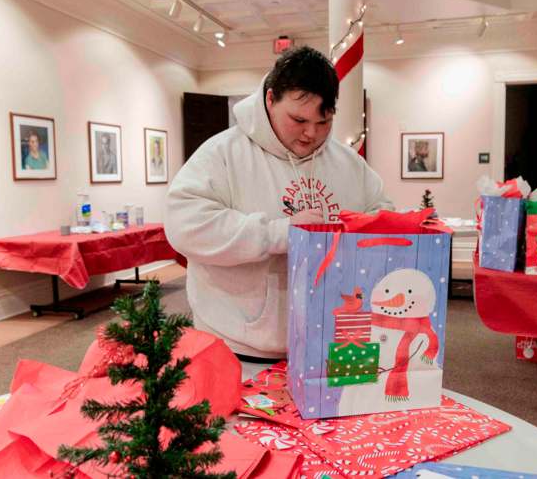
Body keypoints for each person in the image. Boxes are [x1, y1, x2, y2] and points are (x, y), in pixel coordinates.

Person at [165, 46, 393, 360]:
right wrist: (279, 234)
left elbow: (383, 214)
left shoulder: (348, 163)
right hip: (239, 345)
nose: (311, 133)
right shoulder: (222, 154)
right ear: (270, 100)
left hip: (330, 342)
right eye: (298, 119)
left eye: (324, 121)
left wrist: (364, 229)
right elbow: (184, 226)